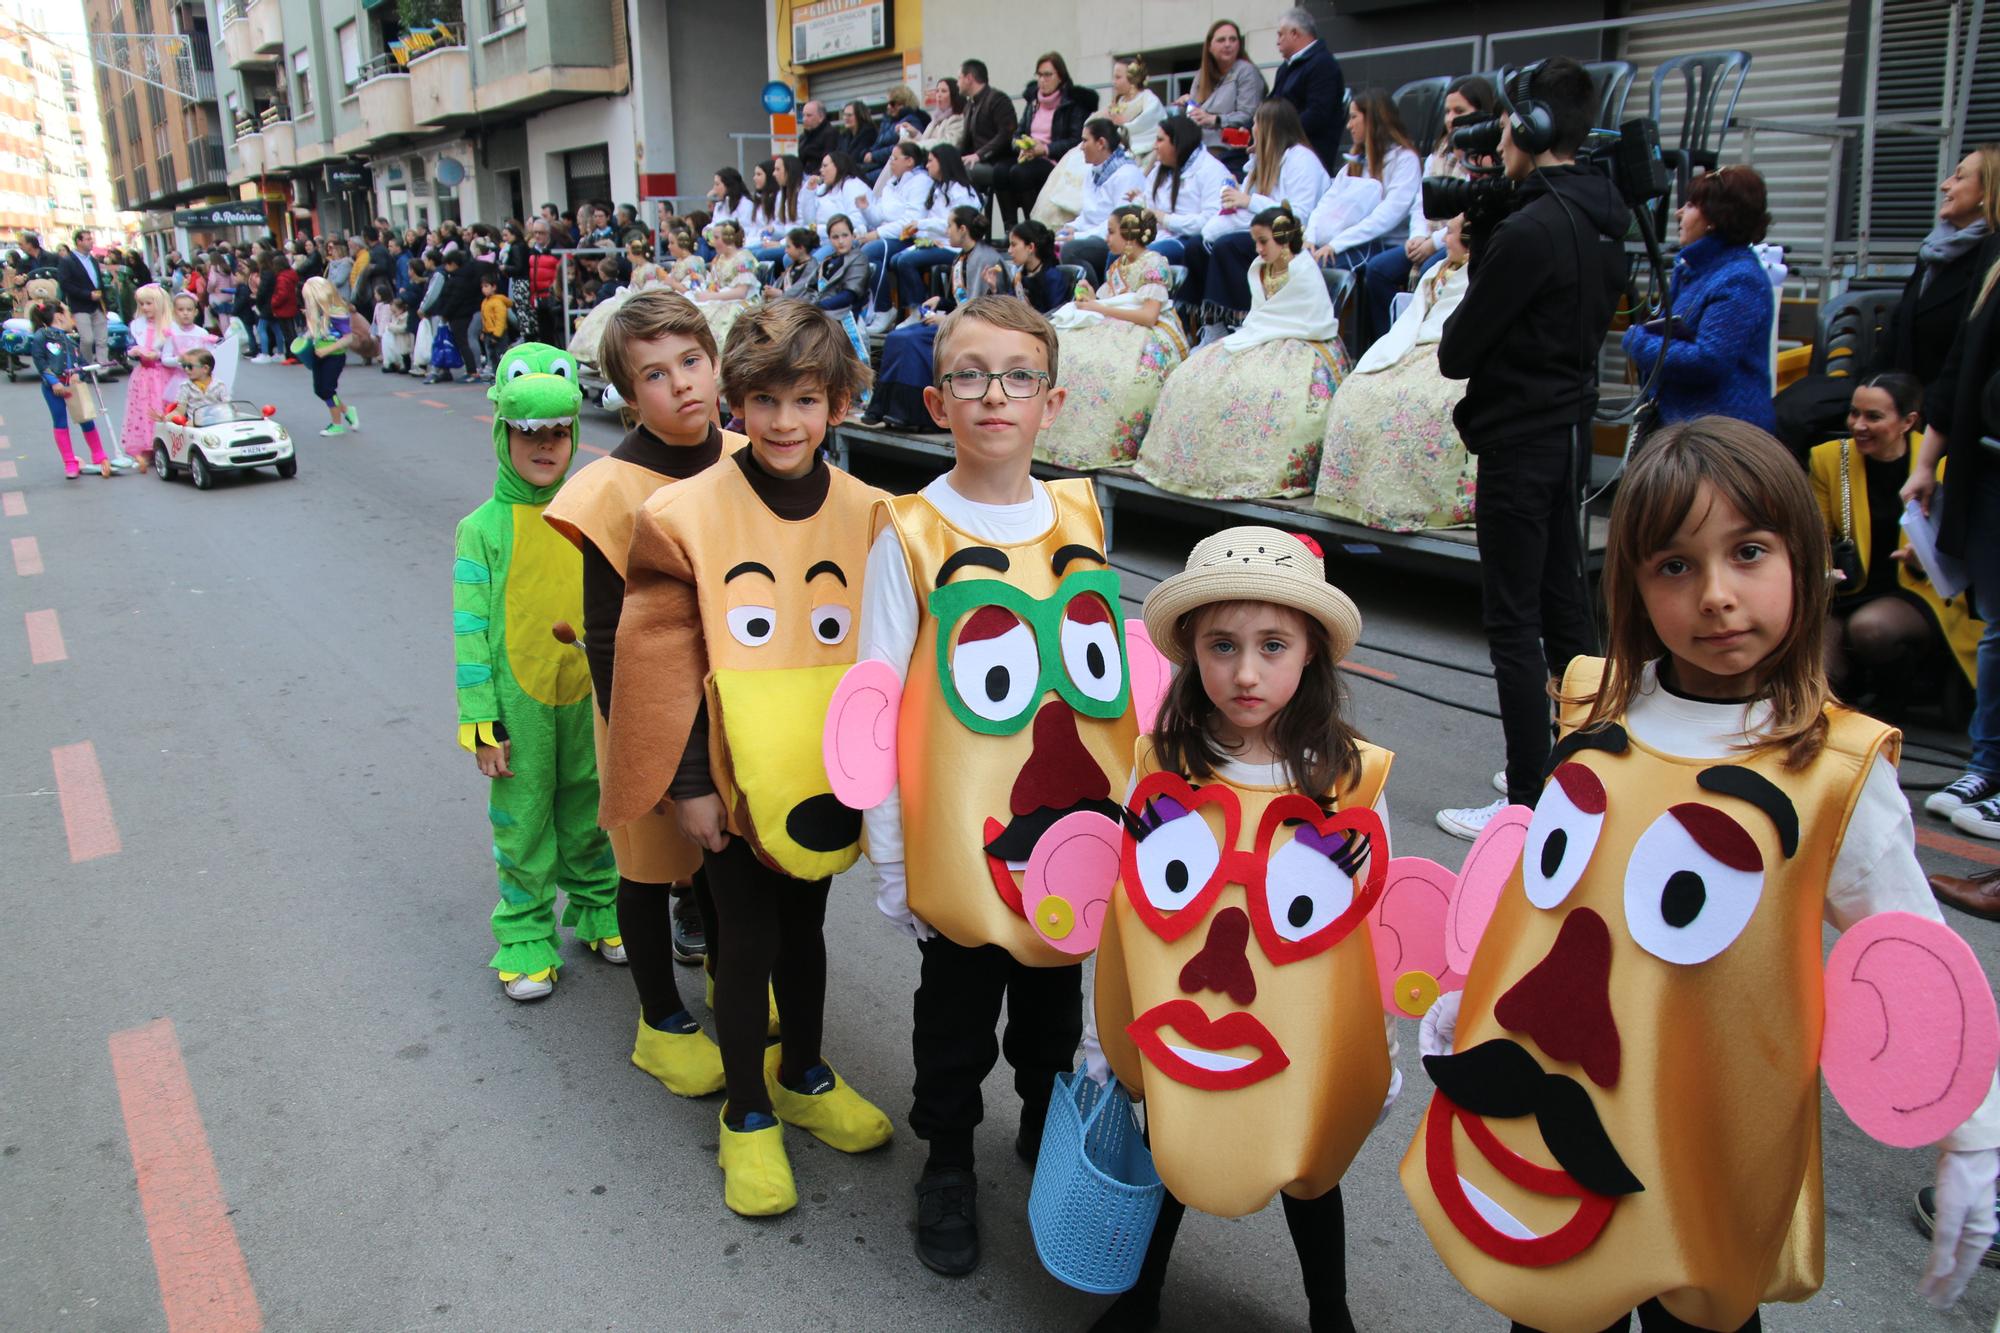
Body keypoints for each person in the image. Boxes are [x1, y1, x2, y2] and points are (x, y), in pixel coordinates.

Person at [1403, 417, 2000, 1332]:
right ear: (1634, 588)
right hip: (1553, 1111)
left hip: (1703, 1135)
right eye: (1674, 565)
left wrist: (1975, 1136)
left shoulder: (1834, 769)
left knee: (1696, 1312)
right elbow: (1547, 898)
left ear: (1807, 560)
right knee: (1550, 1306)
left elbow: (1913, 956)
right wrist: (1472, 994)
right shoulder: (1595, 707)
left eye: (1749, 551)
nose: (1718, 596)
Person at [837, 294, 1145, 1275]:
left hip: (1076, 833)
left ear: (1050, 400)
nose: (993, 396)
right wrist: (892, 860)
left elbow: (1117, 677)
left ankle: (1043, 1118)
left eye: (1016, 376)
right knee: (956, 1018)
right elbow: (878, 701)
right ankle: (947, 1160)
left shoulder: (1084, 511)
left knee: (1055, 1009)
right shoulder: (910, 531)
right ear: (936, 400)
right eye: (968, 375)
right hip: (963, 851)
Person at [600, 302, 893, 1217]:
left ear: (838, 403)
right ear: (737, 401)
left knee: (805, 932)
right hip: (727, 776)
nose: (782, 422)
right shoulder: (682, 510)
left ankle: (803, 1071)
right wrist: (689, 786)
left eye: (805, 399)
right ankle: (749, 1113)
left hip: (820, 775)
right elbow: (661, 661)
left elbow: (888, 653)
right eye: (762, 400)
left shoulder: (872, 512)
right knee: (747, 937)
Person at [1089, 526, 1395, 1333]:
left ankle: (1330, 1311)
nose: (1247, 672)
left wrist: (1375, 1043)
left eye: (1272, 644)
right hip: (1186, 1009)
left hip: (1294, 1023)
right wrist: (1107, 1033)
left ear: (1311, 655)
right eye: (1223, 645)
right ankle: (1142, 1292)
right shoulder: (1160, 761)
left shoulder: (1351, 778)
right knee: (1175, 1143)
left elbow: (1368, 926)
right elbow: (1130, 906)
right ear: (1192, 650)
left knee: (1309, 1171)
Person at [544, 291, 747, 1093]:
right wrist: (638, 738)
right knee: (649, 861)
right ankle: (660, 1017)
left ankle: (730, 979)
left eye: (692, 361)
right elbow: (604, 635)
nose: (683, 385)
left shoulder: (744, 452)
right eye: (656, 375)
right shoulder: (611, 487)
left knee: (728, 853)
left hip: (734, 699)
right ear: (629, 395)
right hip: (641, 708)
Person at [1430, 57, 1631, 840]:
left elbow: (1456, 351)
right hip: (1569, 434)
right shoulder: (1604, 211)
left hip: (1518, 439)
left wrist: (1480, 248)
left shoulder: (1530, 230)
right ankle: (1579, 771)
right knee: (1565, 611)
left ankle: (1524, 799)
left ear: (1529, 126)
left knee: (1514, 623)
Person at [453, 344, 624, 1002]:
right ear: (504, 434)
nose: (545, 445)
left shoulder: (587, 511)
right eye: (530, 433)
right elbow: (469, 632)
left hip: (584, 692)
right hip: (517, 703)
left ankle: (599, 906)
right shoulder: (482, 529)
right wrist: (481, 721)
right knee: (523, 820)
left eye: (557, 433)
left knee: (591, 810)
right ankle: (524, 931)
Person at [1775, 144, 2000, 457]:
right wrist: (1871, 388)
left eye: (1960, 178)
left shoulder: (1988, 263)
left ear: (1986, 194)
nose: (1945, 185)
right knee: (1795, 404)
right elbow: (1898, 332)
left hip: (1932, 408)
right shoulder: (1935, 252)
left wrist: (1907, 407)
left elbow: (1965, 361)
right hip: (1892, 387)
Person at [1139, 206, 1347, 499]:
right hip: (1260, 334)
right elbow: (1262, 311)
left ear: (1283, 239)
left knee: (1268, 394)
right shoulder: (1261, 268)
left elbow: (1310, 314)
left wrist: (1269, 332)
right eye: (1256, 243)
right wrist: (1260, 331)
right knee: (1193, 376)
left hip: (1302, 338)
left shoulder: (1302, 268)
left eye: (1264, 242)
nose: (1259, 249)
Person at [1903, 232, 2000, 851]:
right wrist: (1926, 465)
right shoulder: (1993, 271)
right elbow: (1960, 368)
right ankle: (1985, 767)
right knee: (1997, 624)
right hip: (1988, 466)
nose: (1946, 182)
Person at [1809, 372, 1981, 706]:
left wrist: (1926, 558)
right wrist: (1824, 565)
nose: (1858, 424)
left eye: (1873, 416)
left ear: (1908, 421)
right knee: (1821, 674)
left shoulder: (1939, 466)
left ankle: (1896, 701)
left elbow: (1965, 545)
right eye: (1854, 413)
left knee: (1870, 629)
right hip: (1848, 589)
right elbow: (1814, 533)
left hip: (1918, 588)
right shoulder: (1829, 458)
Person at [1316, 215, 1477, 531]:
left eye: (1452, 235)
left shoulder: (1482, 273)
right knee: (1359, 389)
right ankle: (1361, 494)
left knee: (1426, 401)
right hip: (1419, 342)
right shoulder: (1439, 269)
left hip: (1452, 347)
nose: (1445, 240)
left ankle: (1427, 503)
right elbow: (1417, 315)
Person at [1622, 164, 1778, 434]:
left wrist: (1638, 341)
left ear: (1716, 217)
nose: (1678, 212)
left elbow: (1709, 359)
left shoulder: (1740, 279)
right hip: (1687, 426)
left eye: (1691, 205)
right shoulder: (1697, 269)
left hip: (1723, 440)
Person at [1038, 205, 1188, 470]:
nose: (1107, 238)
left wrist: (1098, 307)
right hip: (1114, 323)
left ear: (1129, 234)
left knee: (1114, 371)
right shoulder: (1117, 265)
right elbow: (1112, 300)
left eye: (1111, 232)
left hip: (1146, 329)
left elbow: (1149, 314)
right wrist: (1092, 297)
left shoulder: (1154, 262)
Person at [1357, 74, 1495, 356]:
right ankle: (1387, 343)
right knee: (1378, 270)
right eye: (1447, 111)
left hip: (1458, 241)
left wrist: (1433, 243)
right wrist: (1418, 235)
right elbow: (1422, 202)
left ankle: (1421, 347)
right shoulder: (1437, 154)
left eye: (1459, 111)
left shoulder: (1485, 156)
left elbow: (1470, 211)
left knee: (1431, 271)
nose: (1450, 118)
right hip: (1430, 236)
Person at [859, 205, 1007, 429]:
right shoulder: (961, 257)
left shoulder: (986, 257)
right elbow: (961, 299)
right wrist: (941, 301)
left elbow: (984, 305)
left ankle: (910, 413)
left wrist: (946, 320)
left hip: (977, 324)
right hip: (959, 318)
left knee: (913, 340)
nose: (947, 231)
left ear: (963, 229)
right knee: (897, 336)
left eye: (950, 226)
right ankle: (883, 406)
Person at [1200, 98, 1330, 337]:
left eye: (1257, 124)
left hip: (1293, 239)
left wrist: (1248, 201)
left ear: (1271, 128)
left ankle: (1240, 318)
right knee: (1196, 248)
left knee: (1228, 246)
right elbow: (1251, 204)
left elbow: (1297, 214)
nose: (1252, 131)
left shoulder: (1301, 158)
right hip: (1268, 234)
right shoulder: (1264, 159)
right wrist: (1252, 166)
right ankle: (1212, 323)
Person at [1306, 89, 1421, 349]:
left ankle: (1348, 346)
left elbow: (1388, 216)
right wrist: (1309, 238)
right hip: (1346, 241)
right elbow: (1325, 203)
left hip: (1383, 243)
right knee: (1303, 262)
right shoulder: (1354, 164)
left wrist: (1336, 244)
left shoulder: (1405, 160)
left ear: (1372, 120)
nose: (1349, 125)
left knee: (1323, 265)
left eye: (1354, 117)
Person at [883, 144, 982, 326]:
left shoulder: (960, 190)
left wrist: (921, 224)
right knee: (896, 259)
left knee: (906, 261)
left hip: (954, 246)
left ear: (943, 162)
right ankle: (913, 309)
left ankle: (919, 310)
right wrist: (921, 232)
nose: (926, 165)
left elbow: (953, 224)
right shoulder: (938, 189)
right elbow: (933, 221)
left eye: (930, 161)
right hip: (936, 242)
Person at [1140, 117, 1232, 306]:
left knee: (1149, 256)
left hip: (1186, 239)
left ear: (1177, 142)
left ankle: (1147, 314)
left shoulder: (1211, 170)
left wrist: (1166, 219)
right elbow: (1148, 205)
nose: (1155, 146)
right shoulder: (1160, 170)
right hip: (1159, 235)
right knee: (1119, 253)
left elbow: (1211, 219)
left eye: (1160, 140)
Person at [1049, 118, 1149, 286]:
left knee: (1071, 250)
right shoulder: (1092, 172)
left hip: (1113, 238)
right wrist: (1072, 227)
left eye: (1085, 140)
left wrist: (1079, 236)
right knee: (1049, 241)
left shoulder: (1127, 173)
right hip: (1092, 234)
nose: (1081, 147)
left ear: (1101, 143)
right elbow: (1088, 214)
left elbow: (1120, 224)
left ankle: (1093, 297)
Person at [27, 300, 112, 480]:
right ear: (58, 316)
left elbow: (81, 362)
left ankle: (99, 455)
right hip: (54, 388)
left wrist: (79, 375)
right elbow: (40, 363)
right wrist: (54, 383)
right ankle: (69, 462)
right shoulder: (41, 336)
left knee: (86, 418)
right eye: (67, 313)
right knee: (60, 422)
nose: (71, 318)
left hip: (73, 387)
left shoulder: (68, 339)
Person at [857, 142, 933, 333]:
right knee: (859, 251)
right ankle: (867, 310)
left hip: (910, 236)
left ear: (909, 161)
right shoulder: (891, 184)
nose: (890, 162)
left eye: (895, 158)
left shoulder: (920, 182)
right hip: (890, 235)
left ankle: (885, 309)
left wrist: (877, 234)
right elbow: (880, 216)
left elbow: (911, 220)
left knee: (871, 251)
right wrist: (867, 209)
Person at [1182, 18, 1265, 176]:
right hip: (1201, 156)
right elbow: (1193, 115)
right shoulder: (1201, 76)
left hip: (1233, 156)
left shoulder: (1246, 71)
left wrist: (1214, 119)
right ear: (1210, 46)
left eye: (1233, 39)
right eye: (1221, 40)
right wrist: (1187, 106)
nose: (1228, 44)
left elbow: (1249, 115)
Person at [1269, 8, 1346, 173]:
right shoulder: (1285, 68)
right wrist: (1250, 128)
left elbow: (1317, 114)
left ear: (1295, 33)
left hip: (1309, 156)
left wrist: (1277, 134)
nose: (1277, 41)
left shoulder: (1323, 65)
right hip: (1280, 149)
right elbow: (1269, 104)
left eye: (1281, 34)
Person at [296, 276, 361, 437]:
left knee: (327, 389)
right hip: (319, 354)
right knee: (320, 390)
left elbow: (348, 338)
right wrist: (305, 339)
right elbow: (316, 332)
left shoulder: (338, 313)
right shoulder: (318, 312)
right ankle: (347, 410)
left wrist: (328, 349)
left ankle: (337, 424)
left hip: (334, 356)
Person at [121, 283, 175, 468]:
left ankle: (166, 446)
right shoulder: (137, 325)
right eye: (142, 304)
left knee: (163, 407)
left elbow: (172, 351)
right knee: (143, 410)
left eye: (149, 303)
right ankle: (146, 447)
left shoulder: (169, 326)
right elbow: (128, 346)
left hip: (163, 373)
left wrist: (157, 355)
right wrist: (134, 351)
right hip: (143, 375)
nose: (144, 308)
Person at [959, 59, 1021, 211]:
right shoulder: (969, 105)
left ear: (969, 78)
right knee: (948, 168)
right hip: (980, 162)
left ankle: (973, 222)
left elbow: (1005, 134)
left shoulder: (998, 99)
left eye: (959, 78)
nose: (957, 83)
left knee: (965, 171)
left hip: (998, 163)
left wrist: (979, 155)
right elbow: (964, 142)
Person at [689, 219, 761, 351]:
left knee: (723, 319)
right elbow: (714, 283)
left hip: (740, 301)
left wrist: (712, 296)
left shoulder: (743, 258)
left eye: (716, 237)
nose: (712, 241)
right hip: (721, 298)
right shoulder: (719, 259)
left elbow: (741, 292)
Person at [58, 229, 109, 364]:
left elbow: (99, 282)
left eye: (90, 239)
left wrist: (105, 303)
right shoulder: (68, 261)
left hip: (98, 304)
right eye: (87, 239)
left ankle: (103, 369)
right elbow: (65, 284)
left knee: (102, 339)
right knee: (87, 339)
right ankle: (87, 366)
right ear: (78, 242)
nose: (91, 242)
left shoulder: (92, 260)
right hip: (80, 305)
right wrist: (87, 295)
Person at [1105, 56, 1165, 172]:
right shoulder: (1118, 102)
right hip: (1117, 145)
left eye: (1118, 77)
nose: (1114, 82)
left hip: (1143, 149)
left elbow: (1150, 122)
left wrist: (1125, 125)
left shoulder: (1147, 98)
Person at [437, 248, 486, 382]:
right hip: (465, 313)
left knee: (464, 342)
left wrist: (445, 313)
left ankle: (472, 370)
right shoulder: (467, 275)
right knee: (465, 341)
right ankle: (472, 369)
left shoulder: (458, 279)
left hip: (458, 315)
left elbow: (454, 299)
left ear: (453, 264)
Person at [999, 219, 1066, 312]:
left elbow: (1056, 316)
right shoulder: (1020, 276)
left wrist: (1029, 311)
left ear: (1030, 247)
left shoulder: (1052, 277)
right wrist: (994, 288)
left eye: (1013, 245)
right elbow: (1008, 306)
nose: (1009, 251)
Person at [808, 215, 869, 312]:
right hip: (821, 311)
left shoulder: (859, 259)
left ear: (853, 236)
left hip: (844, 315)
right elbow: (810, 287)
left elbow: (848, 296)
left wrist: (815, 307)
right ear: (829, 239)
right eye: (835, 237)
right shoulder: (827, 260)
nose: (841, 241)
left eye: (845, 235)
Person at [171, 347, 231, 425]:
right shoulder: (186, 386)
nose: (186, 369)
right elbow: (179, 411)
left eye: (190, 366)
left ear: (205, 369)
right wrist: (164, 418)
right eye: (184, 366)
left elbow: (228, 407)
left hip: (216, 422)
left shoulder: (219, 385)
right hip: (195, 425)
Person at [765, 228, 820, 302]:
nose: (786, 250)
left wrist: (781, 294)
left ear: (801, 248)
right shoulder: (793, 265)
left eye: (788, 247)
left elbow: (801, 290)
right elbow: (779, 284)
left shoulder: (812, 268)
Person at [478, 274, 514, 380]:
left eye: (486, 286)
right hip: (489, 333)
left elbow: (500, 320)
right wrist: (484, 332)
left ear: (494, 287)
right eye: (482, 287)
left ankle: (503, 376)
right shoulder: (485, 302)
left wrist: (496, 336)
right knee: (492, 356)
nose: (484, 289)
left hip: (498, 334)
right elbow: (486, 319)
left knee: (500, 355)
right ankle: (495, 374)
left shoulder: (498, 302)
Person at [918, 78, 967, 152]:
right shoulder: (935, 119)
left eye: (943, 91)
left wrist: (916, 145)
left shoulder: (958, 119)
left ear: (954, 95)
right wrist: (914, 134)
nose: (939, 95)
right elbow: (924, 141)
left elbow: (949, 144)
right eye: (937, 91)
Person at [796, 100, 840, 174]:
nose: (804, 119)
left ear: (821, 117)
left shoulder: (830, 134)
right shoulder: (803, 137)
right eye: (803, 115)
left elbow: (829, 161)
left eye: (809, 115)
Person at [375, 294, 413, 373]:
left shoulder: (405, 317)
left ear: (401, 309)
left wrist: (391, 327)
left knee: (404, 354)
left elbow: (404, 328)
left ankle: (405, 367)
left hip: (403, 340)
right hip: (396, 340)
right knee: (394, 353)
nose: (394, 314)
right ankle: (393, 365)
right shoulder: (395, 317)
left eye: (395, 312)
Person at [838, 100, 880, 169]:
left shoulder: (869, 133)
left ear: (859, 116)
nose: (845, 118)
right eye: (844, 114)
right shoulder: (844, 136)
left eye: (849, 115)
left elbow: (856, 158)